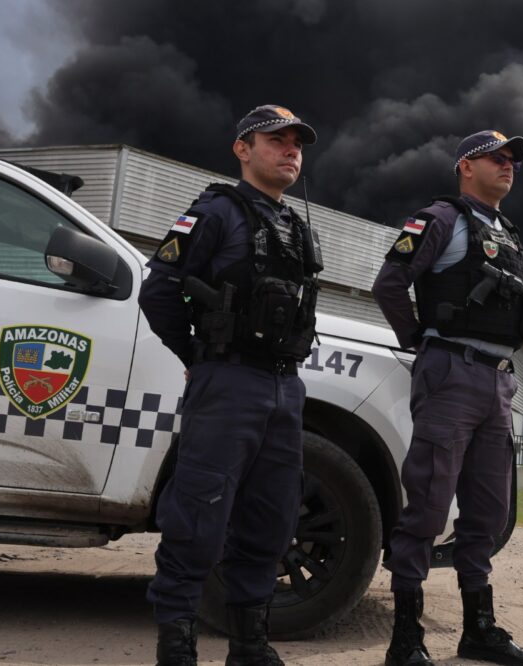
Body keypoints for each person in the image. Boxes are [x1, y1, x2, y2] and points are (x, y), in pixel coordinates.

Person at [138, 104, 323, 666]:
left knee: (272, 519)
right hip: (229, 382)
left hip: (285, 387)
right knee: (198, 516)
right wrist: (199, 355)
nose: (291, 150)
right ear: (243, 149)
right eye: (277, 140)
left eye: (297, 143)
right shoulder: (216, 211)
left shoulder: (295, 224)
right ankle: (177, 646)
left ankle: (249, 646)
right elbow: (160, 291)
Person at [372, 130, 523, 666]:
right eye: (495, 158)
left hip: (498, 381)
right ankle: (406, 638)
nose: (507, 166)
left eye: (512, 160)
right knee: (427, 506)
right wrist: (422, 340)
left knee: (488, 513)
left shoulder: (511, 235)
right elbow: (389, 284)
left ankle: (479, 630)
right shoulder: (441, 219)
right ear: (464, 167)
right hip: (450, 373)